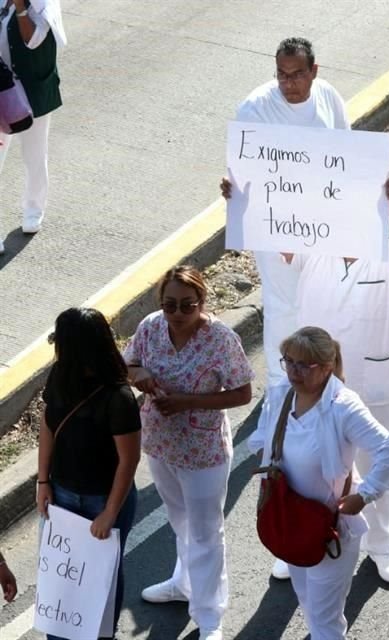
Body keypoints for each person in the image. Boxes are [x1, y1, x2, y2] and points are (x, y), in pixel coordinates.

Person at [219, 35, 349, 580]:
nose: (287, 82)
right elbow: (243, 178)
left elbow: (343, 163)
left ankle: (323, 400)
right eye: (280, 74)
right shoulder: (255, 109)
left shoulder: (331, 102)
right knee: (280, 320)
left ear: (314, 71)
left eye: (296, 74)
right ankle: (275, 424)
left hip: (319, 235)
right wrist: (242, 202)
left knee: (319, 318)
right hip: (277, 241)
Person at [292, 176, 389, 584]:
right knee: (309, 469)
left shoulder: (388, 257)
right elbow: (272, 226)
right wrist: (242, 197)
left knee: (377, 466)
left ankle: (383, 544)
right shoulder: (314, 253)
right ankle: (300, 537)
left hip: (375, 384)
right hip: (318, 389)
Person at [124, 266, 254, 640]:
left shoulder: (221, 339)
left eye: (187, 306)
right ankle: (184, 583)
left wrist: (187, 403)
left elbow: (242, 393)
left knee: (206, 531)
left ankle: (210, 614)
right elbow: (127, 363)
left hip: (203, 451)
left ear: (202, 302)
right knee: (180, 521)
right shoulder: (150, 326)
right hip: (161, 444)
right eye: (170, 306)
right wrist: (141, 374)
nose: (178, 314)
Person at [249, 327, 389, 639]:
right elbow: (262, 441)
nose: (293, 370)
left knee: (324, 621)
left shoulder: (343, 406)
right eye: (288, 361)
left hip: (330, 531)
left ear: (328, 367)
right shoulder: (280, 394)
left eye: (304, 365)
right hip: (291, 522)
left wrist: (365, 495)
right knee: (308, 604)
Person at [35, 308, 141, 640]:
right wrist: (42, 481)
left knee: (101, 579)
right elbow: (48, 424)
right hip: (63, 493)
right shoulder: (60, 376)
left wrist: (110, 513)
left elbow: (129, 460)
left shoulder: (118, 397)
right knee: (63, 578)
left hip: (103, 499)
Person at [0, 0, 66, 255]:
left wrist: (21, 7)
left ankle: (33, 212)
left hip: (32, 91)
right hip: (3, 91)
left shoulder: (43, 3)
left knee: (34, 155)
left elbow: (33, 40)